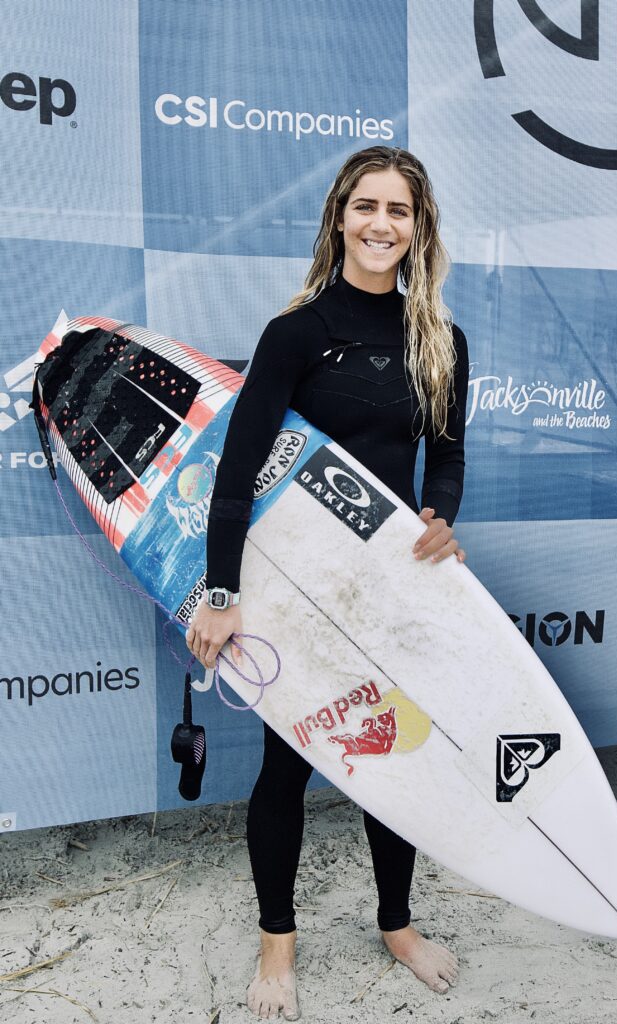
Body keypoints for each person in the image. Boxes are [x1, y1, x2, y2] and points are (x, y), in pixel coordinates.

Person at [186, 145, 469, 1021]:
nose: (381, 224)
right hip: (297, 587)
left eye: (400, 210)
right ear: (338, 217)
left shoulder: (440, 339)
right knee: (287, 764)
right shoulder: (297, 332)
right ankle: (279, 939)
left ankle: (395, 923)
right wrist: (222, 593)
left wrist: (438, 518)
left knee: (397, 758)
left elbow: (446, 458)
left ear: (419, 228)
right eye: (366, 206)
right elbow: (236, 471)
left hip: (391, 588)